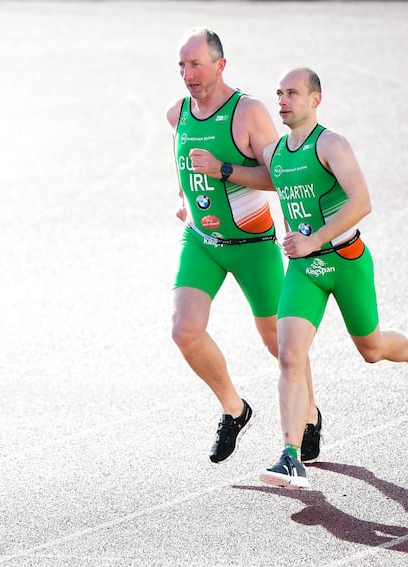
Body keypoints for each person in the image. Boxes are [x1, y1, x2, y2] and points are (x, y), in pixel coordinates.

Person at [256, 67, 408, 489]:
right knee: (289, 355)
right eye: (279, 93)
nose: (283, 100)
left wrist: (315, 239)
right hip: (305, 270)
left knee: (371, 349)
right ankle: (290, 454)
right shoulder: (275, 153)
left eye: (293, 93)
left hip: (345, 261)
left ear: (315, 99)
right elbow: (265, 178)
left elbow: (362, 202)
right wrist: (222, 171)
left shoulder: (331, 144)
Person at [166, 29, 323, 463]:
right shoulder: (178, 113)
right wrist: (183, 198)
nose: (187, 74)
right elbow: (181, 159)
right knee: (184, 331)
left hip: (252, 244)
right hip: (202, 244)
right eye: (181, 65)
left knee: (280, 345)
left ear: (220, 65)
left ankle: (307, 417)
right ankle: (234, 410)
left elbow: (280, 175)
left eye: (195, 64)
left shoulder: (248, 113)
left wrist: (223, 168)